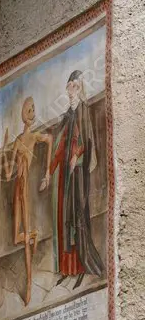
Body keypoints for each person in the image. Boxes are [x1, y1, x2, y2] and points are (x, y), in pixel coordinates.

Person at [46, 70, 105, 288]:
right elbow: (60, 146)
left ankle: (82, 266)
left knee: (78, 217)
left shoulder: (83, 111)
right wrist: (49, 171)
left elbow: (86, 142)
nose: (73, 90)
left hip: (78, 176)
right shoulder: (67, 116)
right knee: (64, 220)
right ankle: (67, 268)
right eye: (70, 86)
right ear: (67, 88)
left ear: (80, 89)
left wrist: (77, 156)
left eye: (77, 86)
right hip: (65, 177)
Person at [1, 97, 52, 305]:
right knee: (16, 238)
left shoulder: (33, 137)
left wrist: (47, 172)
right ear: (23, 115)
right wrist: (4, 150)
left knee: (26, 244)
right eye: (29, 110)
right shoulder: (18, 141)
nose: (32, 114)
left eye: (33, 110)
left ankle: (29, 289)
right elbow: (7, 174)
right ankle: (33, 235)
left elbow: (49, 139)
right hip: (17, 188)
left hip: (28, 187)